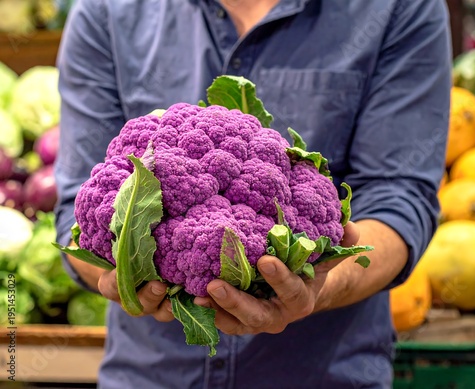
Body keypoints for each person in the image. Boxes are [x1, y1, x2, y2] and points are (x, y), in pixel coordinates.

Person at [54, 0, 452, 388]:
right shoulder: (106, 9)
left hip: (324, 372)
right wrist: (123, 269)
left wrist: (320, 286)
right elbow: (78, 203)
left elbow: (401, 197)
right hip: (150, 375)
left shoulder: (400, 7)